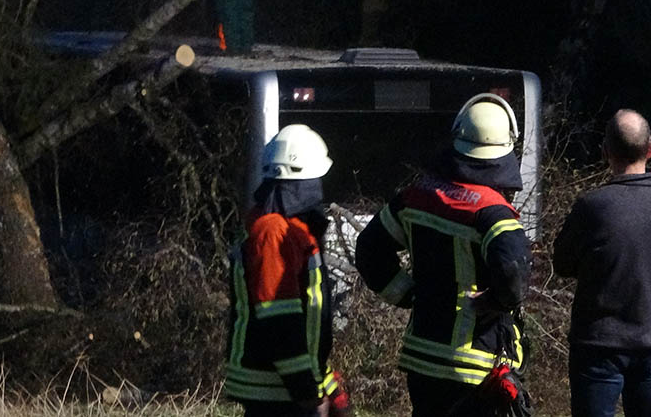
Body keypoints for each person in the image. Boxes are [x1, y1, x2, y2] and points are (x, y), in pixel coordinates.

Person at [355, 93, 533, 416]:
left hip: (422, 360)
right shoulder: (495, 213)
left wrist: (408, 294)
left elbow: (369, 250)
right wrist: (495, 302)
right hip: (478, 369)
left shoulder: (415, 197)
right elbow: (514, 275)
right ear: (506, 152)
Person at [226, 124, 351, 417]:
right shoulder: (273, 233)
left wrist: (327, 385)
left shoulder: (295, 234)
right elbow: (279, 321)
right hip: (274, 390)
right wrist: (306, 390)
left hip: (287, 387)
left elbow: (307, 327)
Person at [553, 109, 651, 417]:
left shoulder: (592, 206)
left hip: (598, 344)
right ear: (650, 150)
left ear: (605, 151)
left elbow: (563, 263)